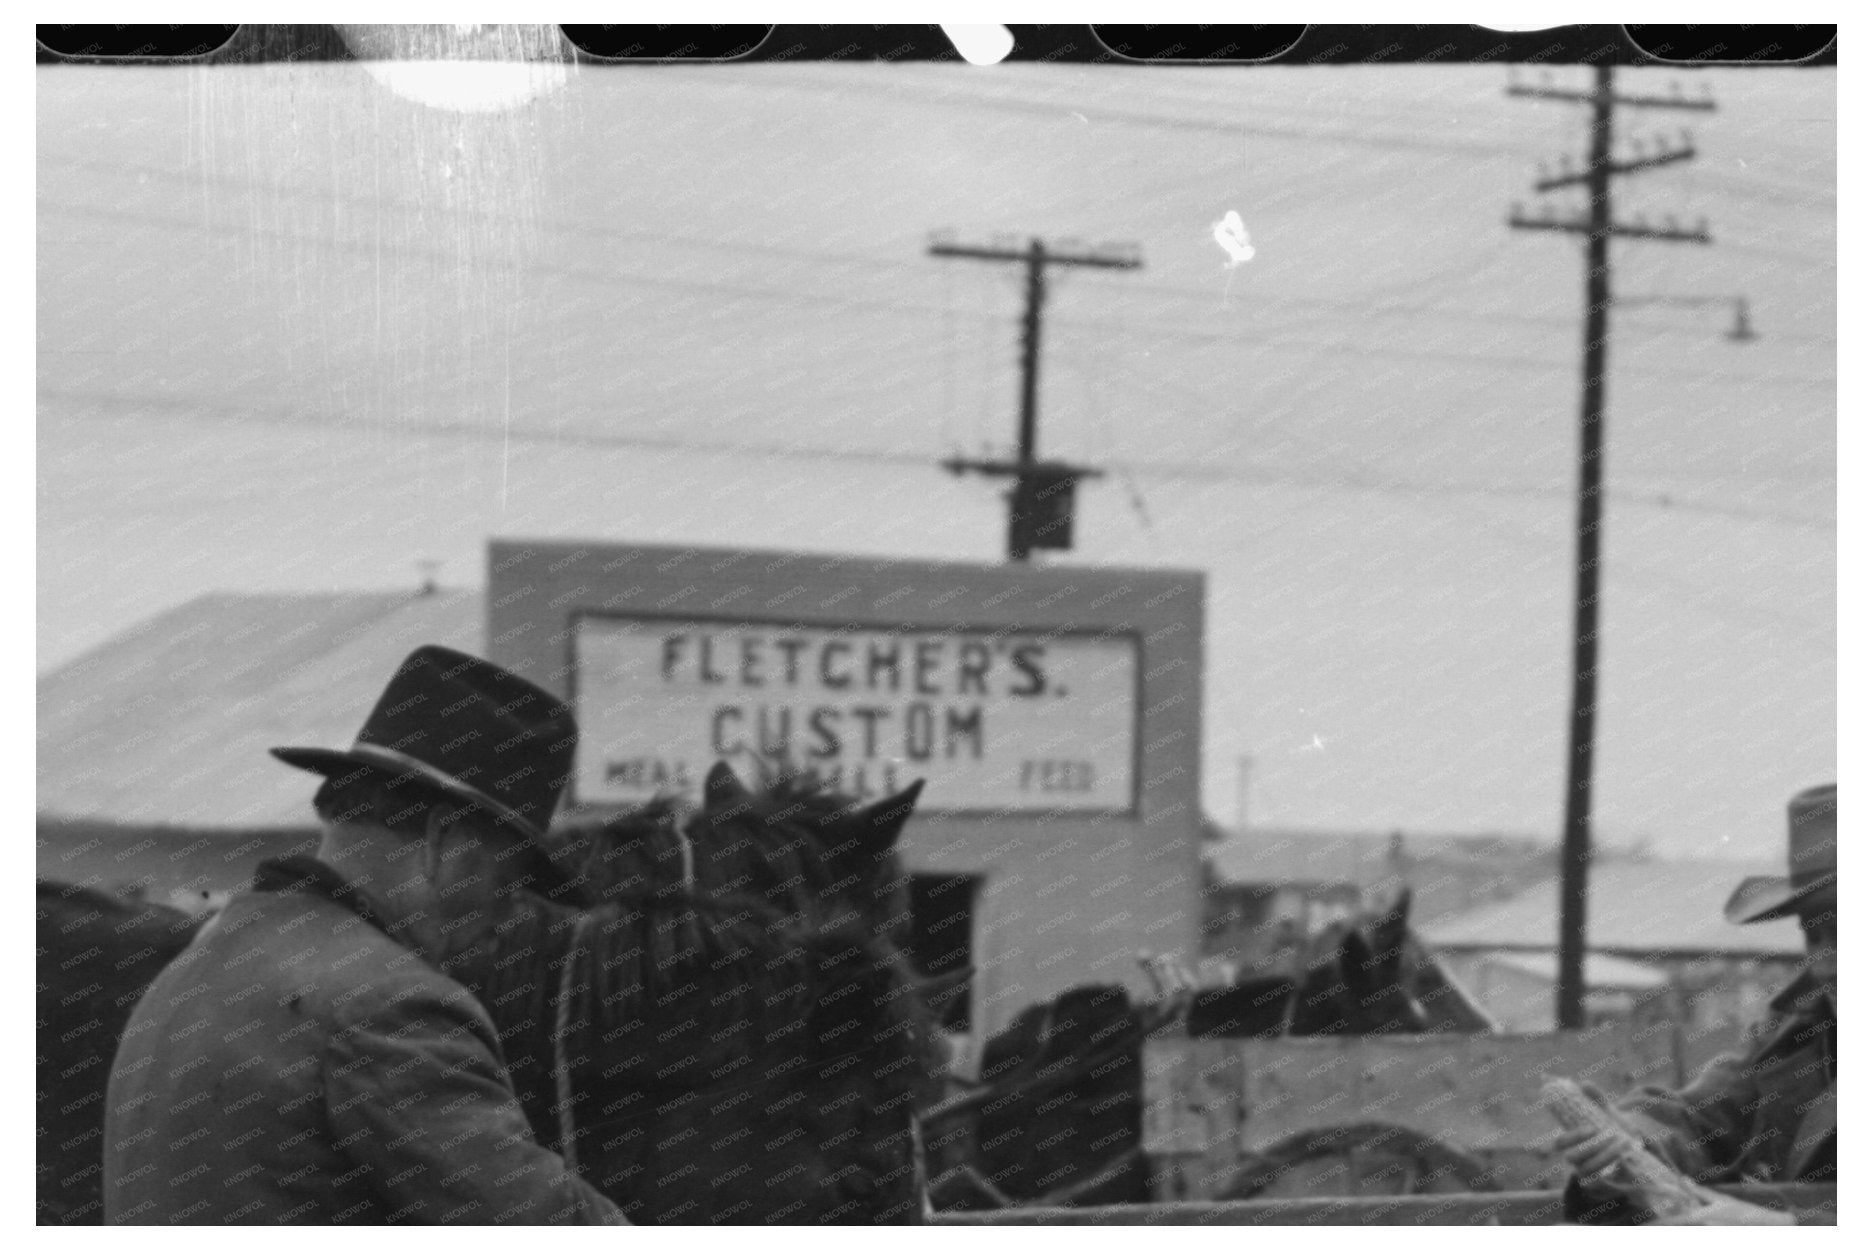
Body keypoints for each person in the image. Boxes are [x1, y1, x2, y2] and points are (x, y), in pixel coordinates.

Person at [103, 646, 625, 1225]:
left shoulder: (201, 962)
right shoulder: (388, 1005)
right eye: (508, 882)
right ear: (441, 840)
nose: (507, 918)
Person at [1558, 783, 1836, 1225]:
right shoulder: (1800, 1034)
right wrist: (1629, 1139)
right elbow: (1701, 1118)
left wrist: (1790, 1229)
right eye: (1814, 935)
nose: (1825, 966)